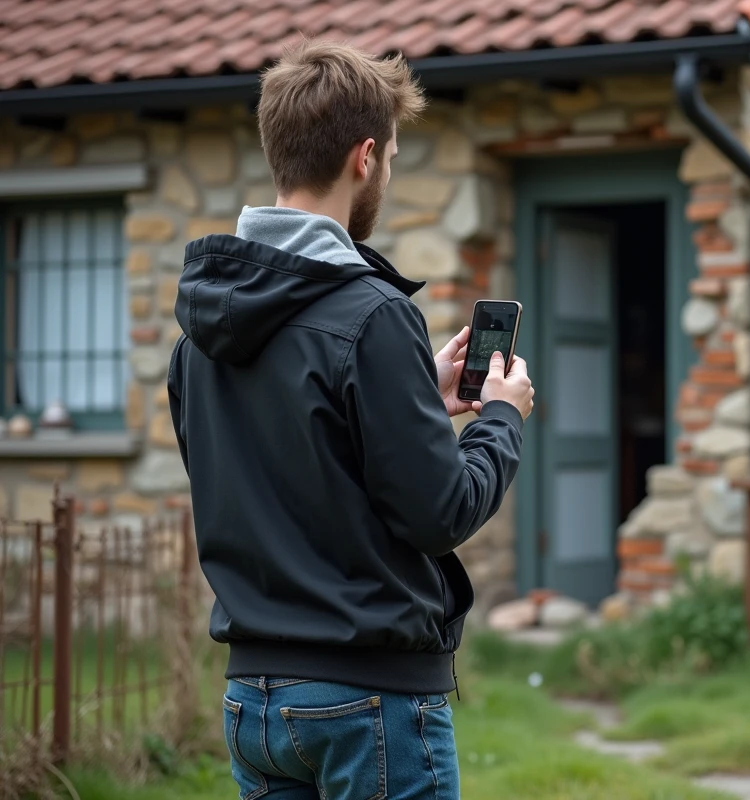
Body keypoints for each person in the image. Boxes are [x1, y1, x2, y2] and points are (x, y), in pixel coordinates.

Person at [167, 40, 534, 800]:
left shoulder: (198, 334)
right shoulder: (371, 316)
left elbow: (289, 466)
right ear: (365, 157)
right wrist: (501, 417)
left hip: (254, 705)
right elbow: (441, 513)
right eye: (393, 156)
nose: (389, 174)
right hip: (369, 701)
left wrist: (414, 398)